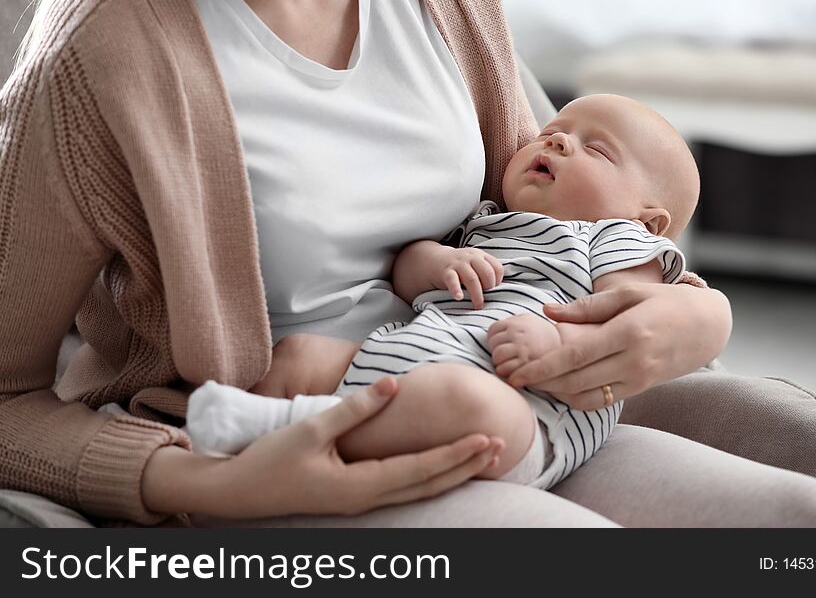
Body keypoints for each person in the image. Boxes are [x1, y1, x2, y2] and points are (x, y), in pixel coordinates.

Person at [0, 0, 816, 527]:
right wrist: (193, 477)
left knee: (806, 522)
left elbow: (565, 219)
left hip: (504, 391)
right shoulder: (99, 47)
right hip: (285, 441)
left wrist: (697, 316)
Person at [184, 93, 696, 492]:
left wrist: (559, 346)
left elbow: (626, 318)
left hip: (526, 409)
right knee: (298, 356)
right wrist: (438, 261)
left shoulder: (618, 241)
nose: (558, 142)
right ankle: (235, 431)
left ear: (647, 220)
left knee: (466, 402)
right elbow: (406, 275)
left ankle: (278, 428)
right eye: (552, 132)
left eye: (598, 150)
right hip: (400, 355)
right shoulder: (486, 221)